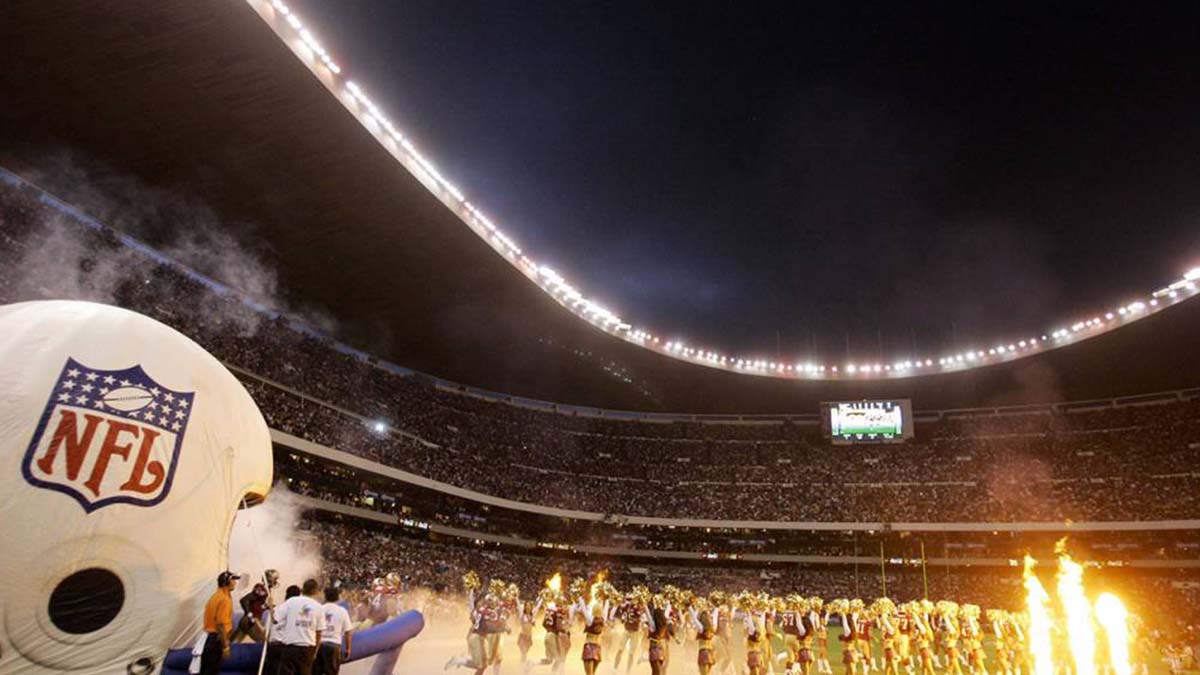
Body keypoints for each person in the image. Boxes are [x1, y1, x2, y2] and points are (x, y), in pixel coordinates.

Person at [273, 579, 328, 675]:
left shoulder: (291, 601)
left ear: (303, 589)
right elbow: (319, 633)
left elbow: (275, 619)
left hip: (289, 648)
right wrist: (315, 652)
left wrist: (270, 606)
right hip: (307, 650)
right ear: (316, 591)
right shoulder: (319, 607)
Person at [200, 571, 239, 675]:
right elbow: (220, 624)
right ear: (226, 582)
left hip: (211, 639)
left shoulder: (216, 596)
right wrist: (225, 646)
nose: (235, 582)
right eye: (233, 580)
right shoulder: (224, 599)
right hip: (217, 640)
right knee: (212, 670)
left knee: (208, 670)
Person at [315, 586, 354, 675]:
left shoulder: (319, 609)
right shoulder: (342, 611)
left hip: (319, 645)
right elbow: (348, 631)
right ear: (337, 597)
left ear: (325, 596)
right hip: (334, 646)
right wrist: (348, 649)